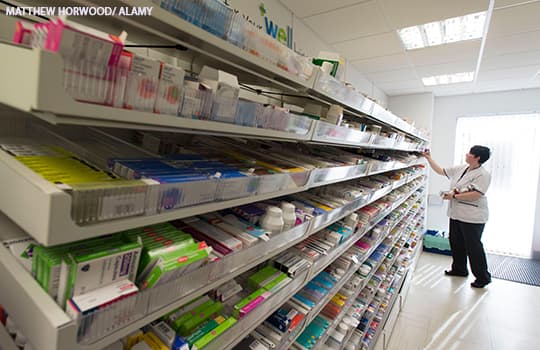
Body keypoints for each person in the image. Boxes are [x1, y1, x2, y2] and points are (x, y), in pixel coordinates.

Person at [422, 145, 492, 288]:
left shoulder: (483, 175)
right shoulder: (462, 168)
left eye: (470, 153)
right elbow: (441, 171)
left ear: (477, 157)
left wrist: (453, 195)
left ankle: (483, 277)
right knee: (456, 242)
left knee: (474, 246)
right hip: (456, 213)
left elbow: (476, 194)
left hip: (472, 216)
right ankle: (459, 269)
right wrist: (428, 158)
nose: (467, 154)